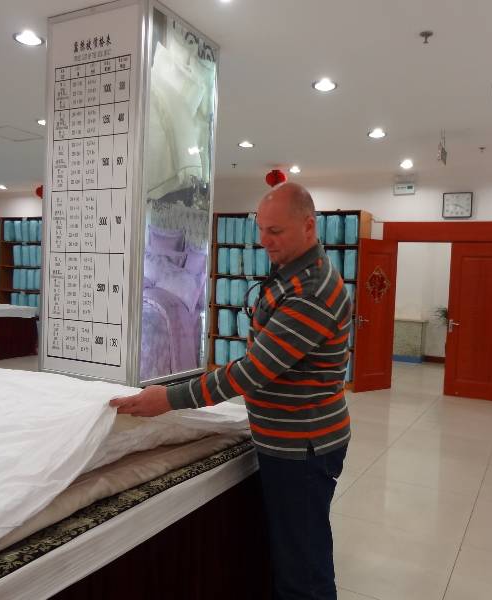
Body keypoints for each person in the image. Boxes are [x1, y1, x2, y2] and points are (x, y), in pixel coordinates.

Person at [111, 182, 352, 600]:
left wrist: (168, 398)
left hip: (303, 446)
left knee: (304, 565)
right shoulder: (292, 273)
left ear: (309, 226)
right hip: (289, 438)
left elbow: (253, 371)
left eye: (275, 231)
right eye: (261, 230)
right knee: (291, 548)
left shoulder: (311, 291)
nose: (264, 241)